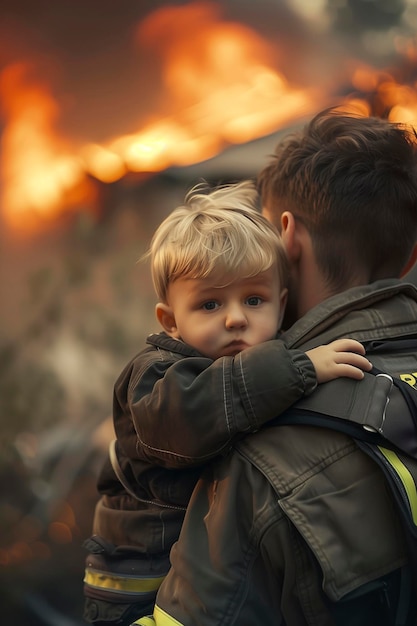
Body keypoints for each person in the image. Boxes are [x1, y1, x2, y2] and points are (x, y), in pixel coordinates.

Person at [131, 107, 417, 626]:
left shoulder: (260, 452)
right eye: (211, 305)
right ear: (410, 256)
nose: (235, 318)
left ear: (286, 236)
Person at [83, 181, 371, 626]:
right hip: (139, 582)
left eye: (253, 300)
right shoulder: (155, 377)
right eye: (210, 303)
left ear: (282, 305)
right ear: (171, 321)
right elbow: (197, 412)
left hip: (206, 575)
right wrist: (301, 368)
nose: (236, 318)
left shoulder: (254, 363)